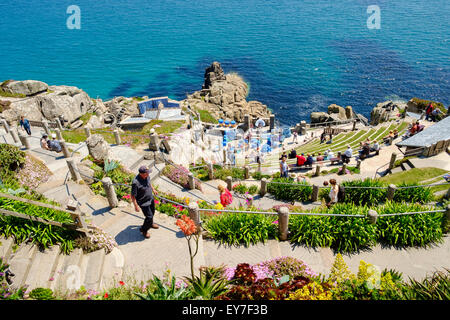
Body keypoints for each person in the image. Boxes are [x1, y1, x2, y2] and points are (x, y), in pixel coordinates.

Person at [131, 166, 159, 239]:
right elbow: (133, 196)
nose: (149, 174)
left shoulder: (147, 177)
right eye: (147, 173)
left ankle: (151, 224)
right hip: (143, 202)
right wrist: (136, 206)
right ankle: (144, 230)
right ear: (142, 174)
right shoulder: (135, 183)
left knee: (152, 212)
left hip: (150, 198)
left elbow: (149, 183)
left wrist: (153, 190)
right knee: (149, 216)